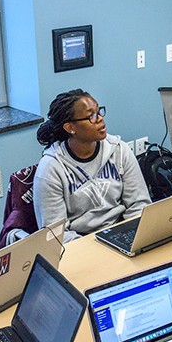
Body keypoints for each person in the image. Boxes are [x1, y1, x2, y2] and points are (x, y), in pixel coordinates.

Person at [33, 89, 151, 242]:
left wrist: (138, 237)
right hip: (80, 243)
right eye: (91, 116)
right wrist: (94, 248)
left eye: (99, 112)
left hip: (122, 232)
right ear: (70, 128)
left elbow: (139, 204)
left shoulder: (119, 150)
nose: (100, 119)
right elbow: (56, 235)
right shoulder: (50, 169)